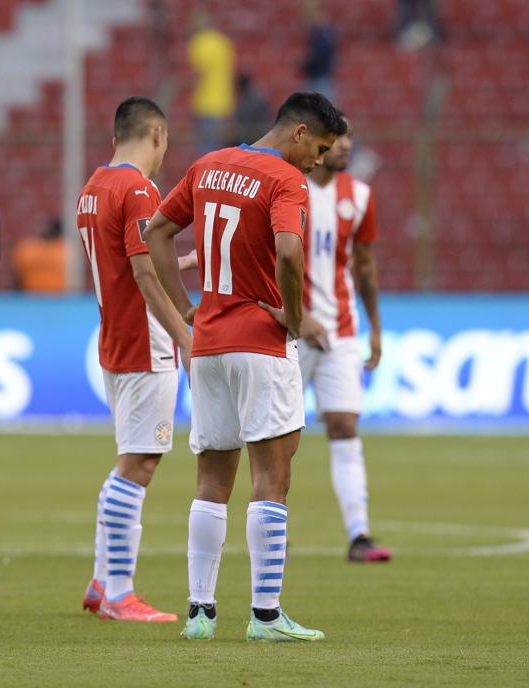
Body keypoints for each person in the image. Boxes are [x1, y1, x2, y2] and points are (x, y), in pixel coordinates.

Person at [147, 92, 347, 642]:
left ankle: (200, 614)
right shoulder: (286, 180)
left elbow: (157, 232)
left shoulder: (209, 164)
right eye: (321, 149)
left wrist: (183, 303)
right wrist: (295, 316)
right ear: (300, 133)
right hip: (261, 342)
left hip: (208, 345)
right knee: (272, 477)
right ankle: (265, 616)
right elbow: (288, 251)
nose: (320, 162)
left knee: (211, 480)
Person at [78, 97, 192, 623]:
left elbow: (128, 263)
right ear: (158, 135)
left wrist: (184, 261)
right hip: (147, 345)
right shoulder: (141, 190)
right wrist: (185, 338)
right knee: (139, 464)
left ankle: (103, 581)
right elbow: (145, 277)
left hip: (115, 342)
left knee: (130, 458)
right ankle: (120, 594)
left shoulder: (94, 187)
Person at [301, 114, 391, 563]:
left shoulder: (359, 196)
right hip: (287, 332)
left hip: (340, 329)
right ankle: (273, 530)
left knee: (345, 425)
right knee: (276, 435)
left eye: (351, 137)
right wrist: (295, 316)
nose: (347, 146)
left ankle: (360, 535)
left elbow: (365, 266)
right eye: (338, 138)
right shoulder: (288, 189)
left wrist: (374, 326)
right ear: (317, 142)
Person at [187, 8, 235, 154]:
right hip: (225, 103)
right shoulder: (224, 42)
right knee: (220, 150)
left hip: (205, 103)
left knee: (206, 150)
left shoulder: (198, 43)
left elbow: (196, 75)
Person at [11, 218, 67, 293]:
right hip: (57, 299)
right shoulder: (63, 251)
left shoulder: (27, 249)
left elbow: (17, 280)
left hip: (30, 298)